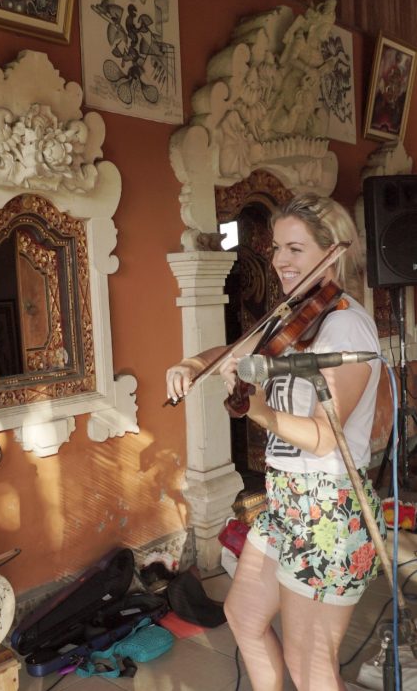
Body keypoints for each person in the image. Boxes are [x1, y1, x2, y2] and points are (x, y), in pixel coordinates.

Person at [165, 194, 385, 691]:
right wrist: (194, 366)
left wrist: (259, 410)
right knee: (244, 616)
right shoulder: (289, 319)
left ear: (333, 251)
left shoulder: (345, 324)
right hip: (287, 502)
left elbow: (327, 438)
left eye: (295, 249)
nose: (281, 261)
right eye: (276, 250)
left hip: (328, 509)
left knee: (311, 663)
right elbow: (234, 348)